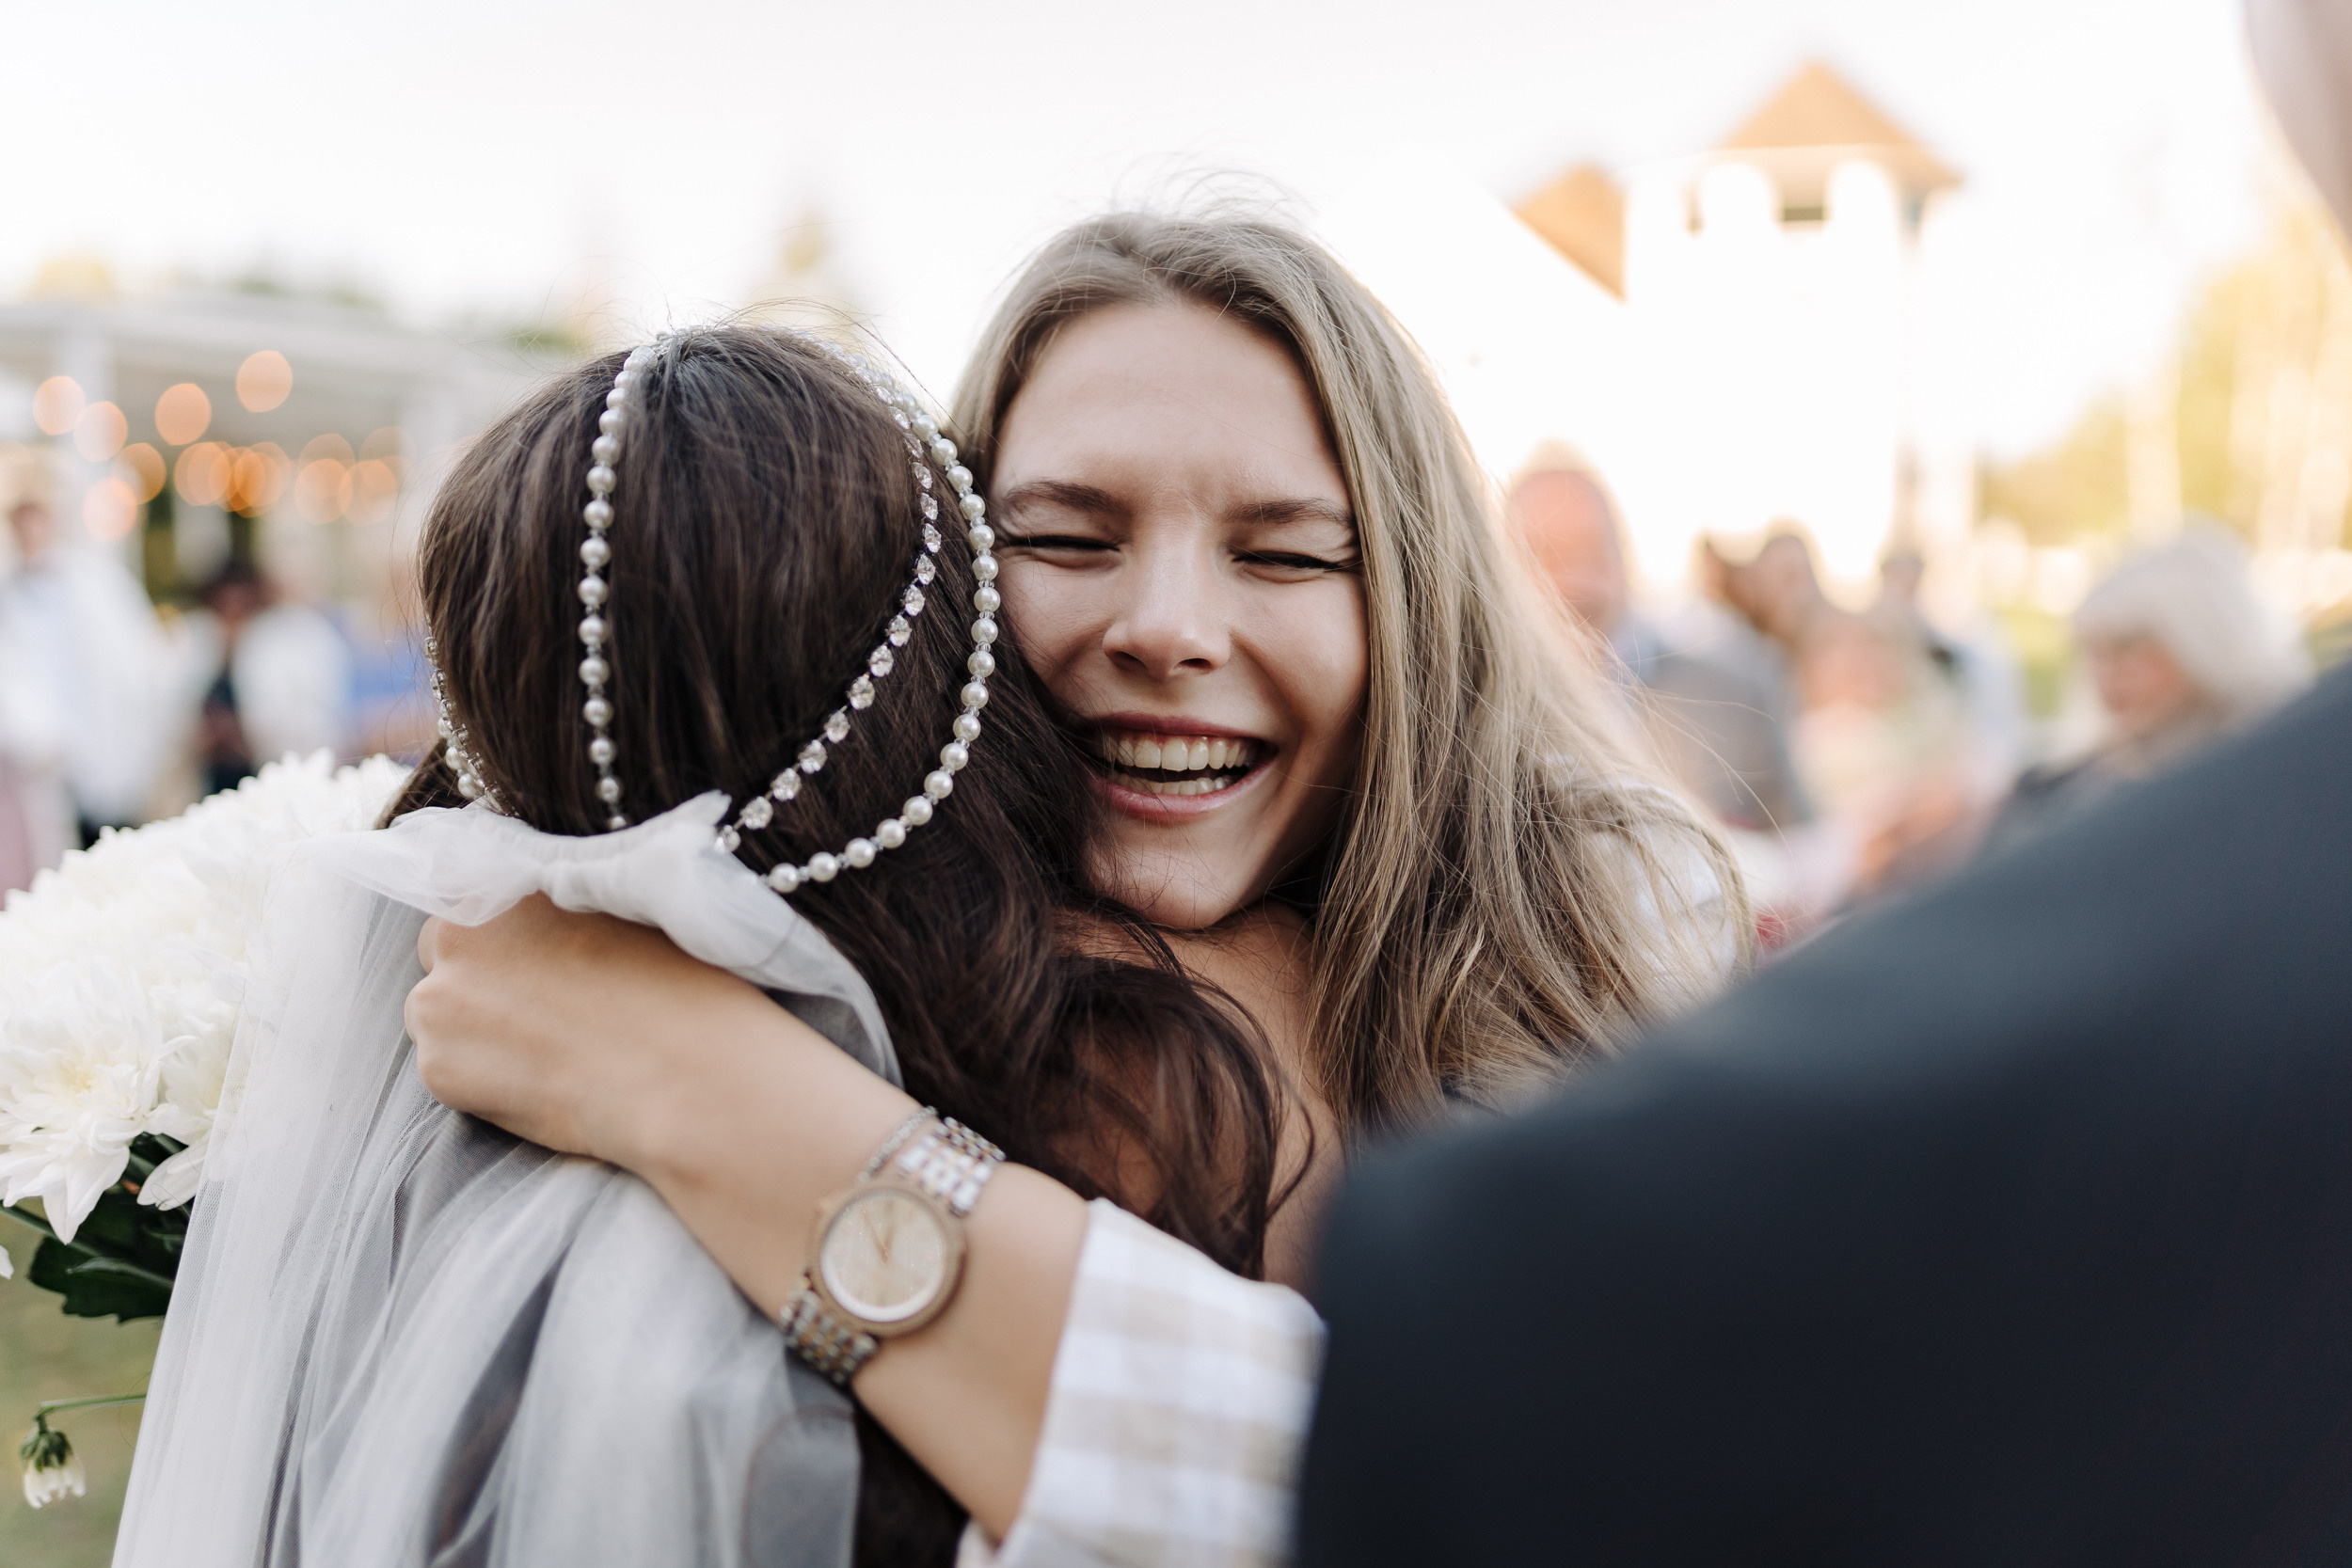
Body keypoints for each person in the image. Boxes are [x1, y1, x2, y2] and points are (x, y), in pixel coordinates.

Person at [393, 215, 1743, 1564]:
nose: (1167, 628)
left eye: (1283, 553)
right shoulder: (823, 955)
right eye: (1067, 537)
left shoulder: (1606, 983)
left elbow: (1509, 1497)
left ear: (1416, 608)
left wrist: (705, 1088)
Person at [1990, 526, 2310, 849]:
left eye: (2128, 647)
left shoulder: (2271, 786)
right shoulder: (2058, 788)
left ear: (2203, 642)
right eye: (2096, 652)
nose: (2108, 673)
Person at [0, 497, 171, 839]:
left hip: (104, 732)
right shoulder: (11, 592)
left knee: (118, 832)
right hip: (46, 751)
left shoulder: (96, 581)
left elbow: (135, 655)